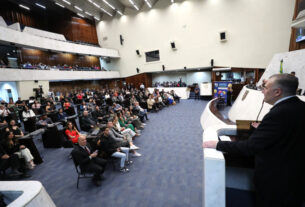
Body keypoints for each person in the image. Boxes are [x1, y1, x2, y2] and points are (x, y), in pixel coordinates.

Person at [203, 73, 305, 207]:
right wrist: (262, 128)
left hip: (277, 182)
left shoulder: (278, 114)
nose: (262, 91)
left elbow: (249, 147)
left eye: (266, 87)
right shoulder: (300, 106)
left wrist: (217, 144)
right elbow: (285, 133)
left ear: (277, 92)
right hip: (296, 178)